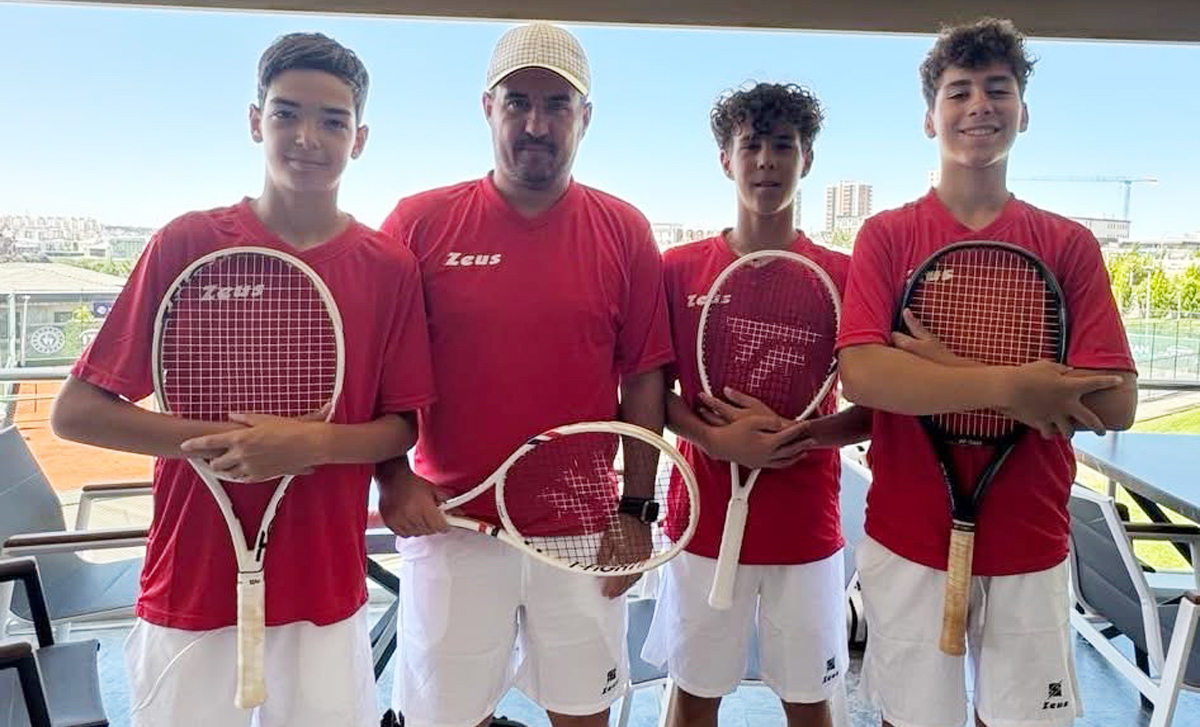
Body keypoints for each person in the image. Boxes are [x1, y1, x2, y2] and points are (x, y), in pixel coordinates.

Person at [50, 32, 434, 727]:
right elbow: (76, 412)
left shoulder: (389, 266)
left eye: (333, 121)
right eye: (287, 113)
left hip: (324, 580)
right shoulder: (186, 242)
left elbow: (399, 427)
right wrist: (234, 444)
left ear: (359, 138)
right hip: (193, 577)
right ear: (256, 121)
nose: (307, 137)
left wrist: (311, 444)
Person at [836, 17, 1138, 727]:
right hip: (908, 532)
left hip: (1030, 536)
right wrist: (1015, 387)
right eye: (959, 91)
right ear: (929, 117)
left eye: (998, 89)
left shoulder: (1068, 244)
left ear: (1023, 112)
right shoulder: (887, 235)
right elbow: (865, 374)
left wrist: (942, 368)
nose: (979, 105)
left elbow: (1117, 402)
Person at [375, 21, 673, 727]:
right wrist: (393, 476)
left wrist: (636, 511)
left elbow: (644, 379)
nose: (536, 124)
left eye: (557, 104)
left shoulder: (625, 229)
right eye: (518, 102)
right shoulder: (418, 223)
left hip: (582, 530)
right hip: (451, 524)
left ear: (585, 117)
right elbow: (378, 369)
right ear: (488, 109)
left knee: (584, 714)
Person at [641, 81, 870, 727]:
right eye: (751, 145)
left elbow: (875, 407)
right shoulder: (676, 269)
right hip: (703, 522)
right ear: (726, 160)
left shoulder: (845, 274)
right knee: (693, 698)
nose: (766, 160)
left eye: (783, 145)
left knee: (810, 703)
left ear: (807, 159)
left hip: (805, 525)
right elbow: (652, 391)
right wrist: (716, 439)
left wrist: (803, 436)